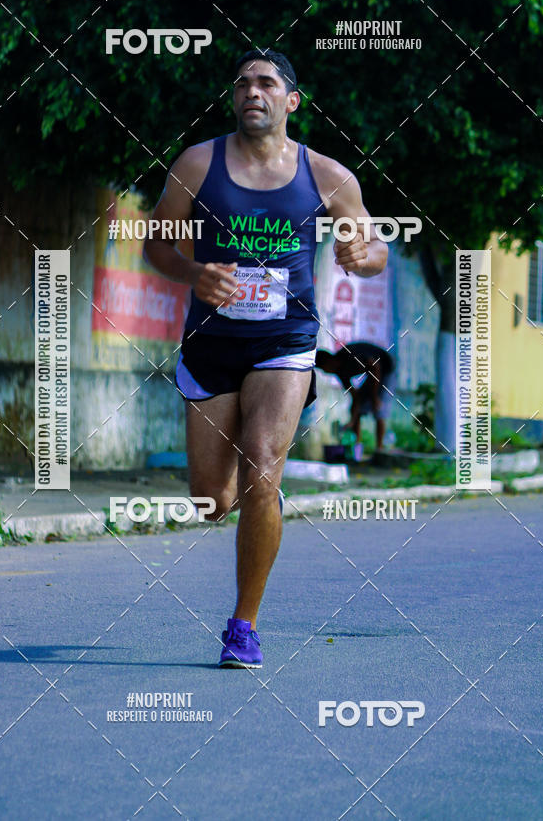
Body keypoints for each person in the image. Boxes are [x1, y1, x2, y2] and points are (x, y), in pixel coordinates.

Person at [144, 50, 388, 669]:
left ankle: (243, 626)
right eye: (243, 81)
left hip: (286, 342)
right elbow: (156, 247)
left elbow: (372, 244)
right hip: (210, 343)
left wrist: (366, 255)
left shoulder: (329, 175)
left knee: (264, 472)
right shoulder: (197, 163)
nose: (253, 90)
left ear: (291, 100)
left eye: (267, 82)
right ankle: (229, 499)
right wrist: (195, 271)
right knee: (210, 499)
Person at [315, 342, 395, 449]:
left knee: (378, 408)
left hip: (384, 366)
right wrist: (352, 421)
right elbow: (355, 398)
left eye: (323, 368)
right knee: (359, 408)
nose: (324, 372)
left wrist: (375, 397)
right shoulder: (340, 373)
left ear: (330, 360)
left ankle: (379, 449)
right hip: (372, 371)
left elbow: (375, 366)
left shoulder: (349, 357)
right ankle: (356, 448)